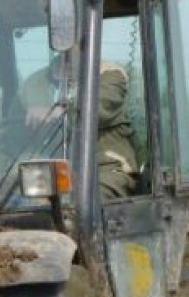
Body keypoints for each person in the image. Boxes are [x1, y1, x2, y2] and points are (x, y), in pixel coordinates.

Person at [20, 58, 138, 199]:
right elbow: (12, 136)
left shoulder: (109, 75)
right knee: (6, 198)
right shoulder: (34, 83)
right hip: (48, 173)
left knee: (84, 201)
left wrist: (61, 110)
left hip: (105, 168)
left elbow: (98, 109)